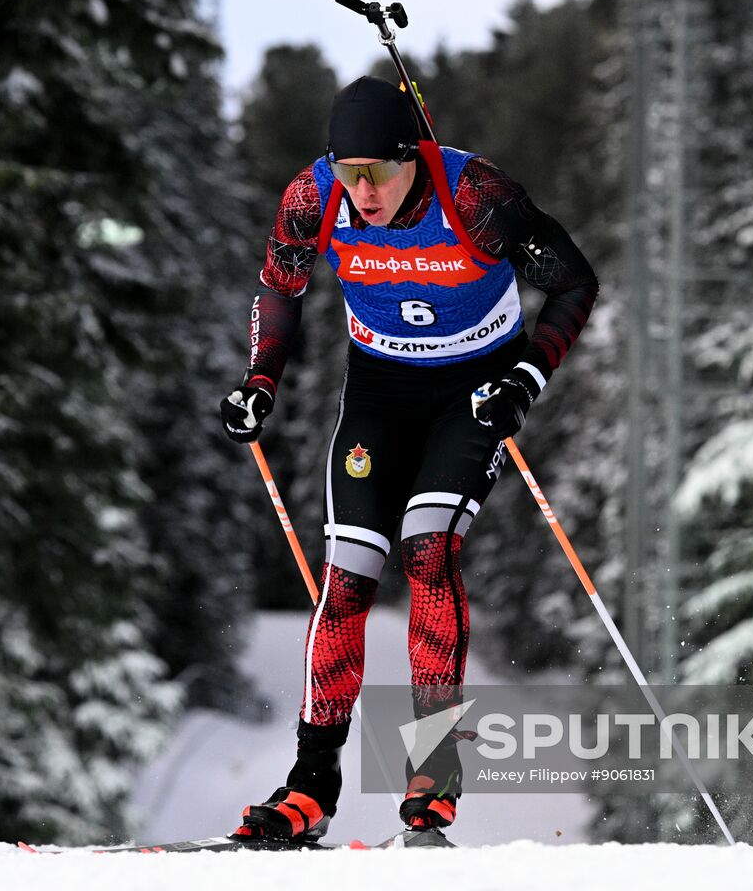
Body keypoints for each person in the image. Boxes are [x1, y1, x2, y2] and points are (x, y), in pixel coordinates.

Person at [220, 76, 598, 841]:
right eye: (346, 171)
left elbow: (572, 282)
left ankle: (434, 772)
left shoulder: (477, 195)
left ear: (415, 157)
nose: (361, 191)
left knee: (428, 547)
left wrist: (524, 379)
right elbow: (279, 289)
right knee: (347, 573)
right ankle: (310, 785)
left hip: (472, 389)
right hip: (378, 392)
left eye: (377, 173)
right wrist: (260, 381)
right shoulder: (311, 196)